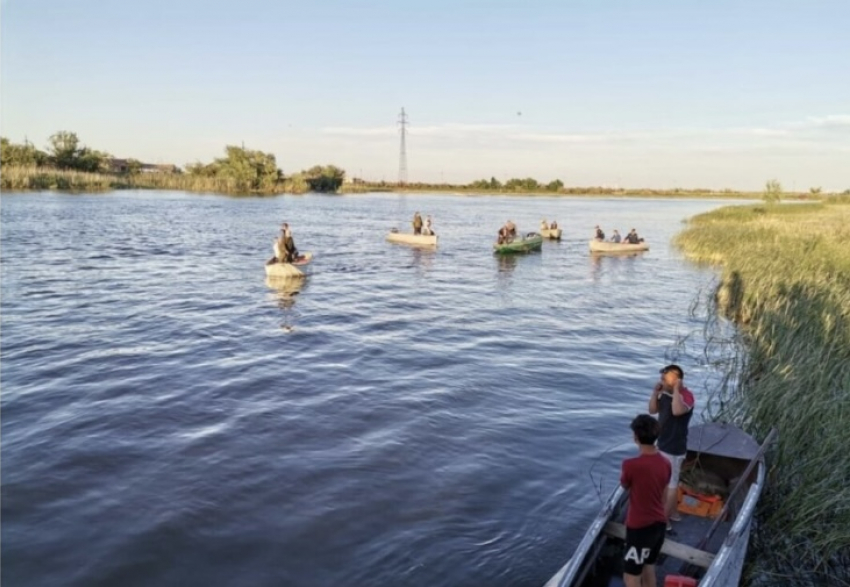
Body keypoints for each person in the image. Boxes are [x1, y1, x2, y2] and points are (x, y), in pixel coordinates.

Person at [620, 414, 671, 587]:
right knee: (649, 569)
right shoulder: (666, 463)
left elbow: (625, 484)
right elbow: (664, 496)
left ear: (636, 437)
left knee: (631, 577)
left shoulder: (630, 465)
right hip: (659, 525)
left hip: (639, 529)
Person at [648, 364, 695, 530]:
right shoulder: (665, 394)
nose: (661, 381)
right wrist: (656, 393)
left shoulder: (686, 396)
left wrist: (676, 390)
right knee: (665, 483)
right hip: (662, 443)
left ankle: (664, 522)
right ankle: (673, 513)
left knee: (671, 485)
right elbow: (652, 410)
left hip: (674, 447)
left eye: (664, 378)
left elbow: (677, 411)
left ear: (676, 380)